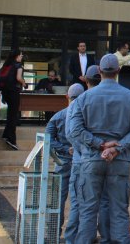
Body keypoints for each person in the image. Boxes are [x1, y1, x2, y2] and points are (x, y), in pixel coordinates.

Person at [65, 54, 130, 244]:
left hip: (91, 160)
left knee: (87, 211)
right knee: (119, 210)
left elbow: (74, 129)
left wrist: (99, 144)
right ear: (118, 71)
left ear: (99, 72)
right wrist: (119, 147)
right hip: (120, 161)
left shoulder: (84, 98)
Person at [65, 65, 111, 244]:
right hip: (107, 158)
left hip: (83, 160)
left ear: (87, 80)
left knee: (81, 203)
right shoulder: (111, 99)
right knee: (105, 202)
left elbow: (72, 133)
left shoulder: (79, 102)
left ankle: (75, 239)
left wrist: (81, 149)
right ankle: (106, 238)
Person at [45, 83, 84, 230]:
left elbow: (47, 139)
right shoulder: (86, 116)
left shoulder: (57, 116)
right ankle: (77, 232)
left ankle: (53, 230)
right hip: (81, 161)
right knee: (79, 198)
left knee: (58, 198)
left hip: (62, 162)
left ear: (67, 96)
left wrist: (65, 149)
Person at [0, 48, 27, 150]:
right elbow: (18, 78)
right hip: (14, 92)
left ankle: (6, 134)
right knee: (13, 115)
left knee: (10, 114)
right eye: (21, 55)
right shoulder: (18, 66)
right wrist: (24, 83)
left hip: (6, 92)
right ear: (17, 56)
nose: (22, 57)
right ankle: (11, 138)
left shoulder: (7, 65)